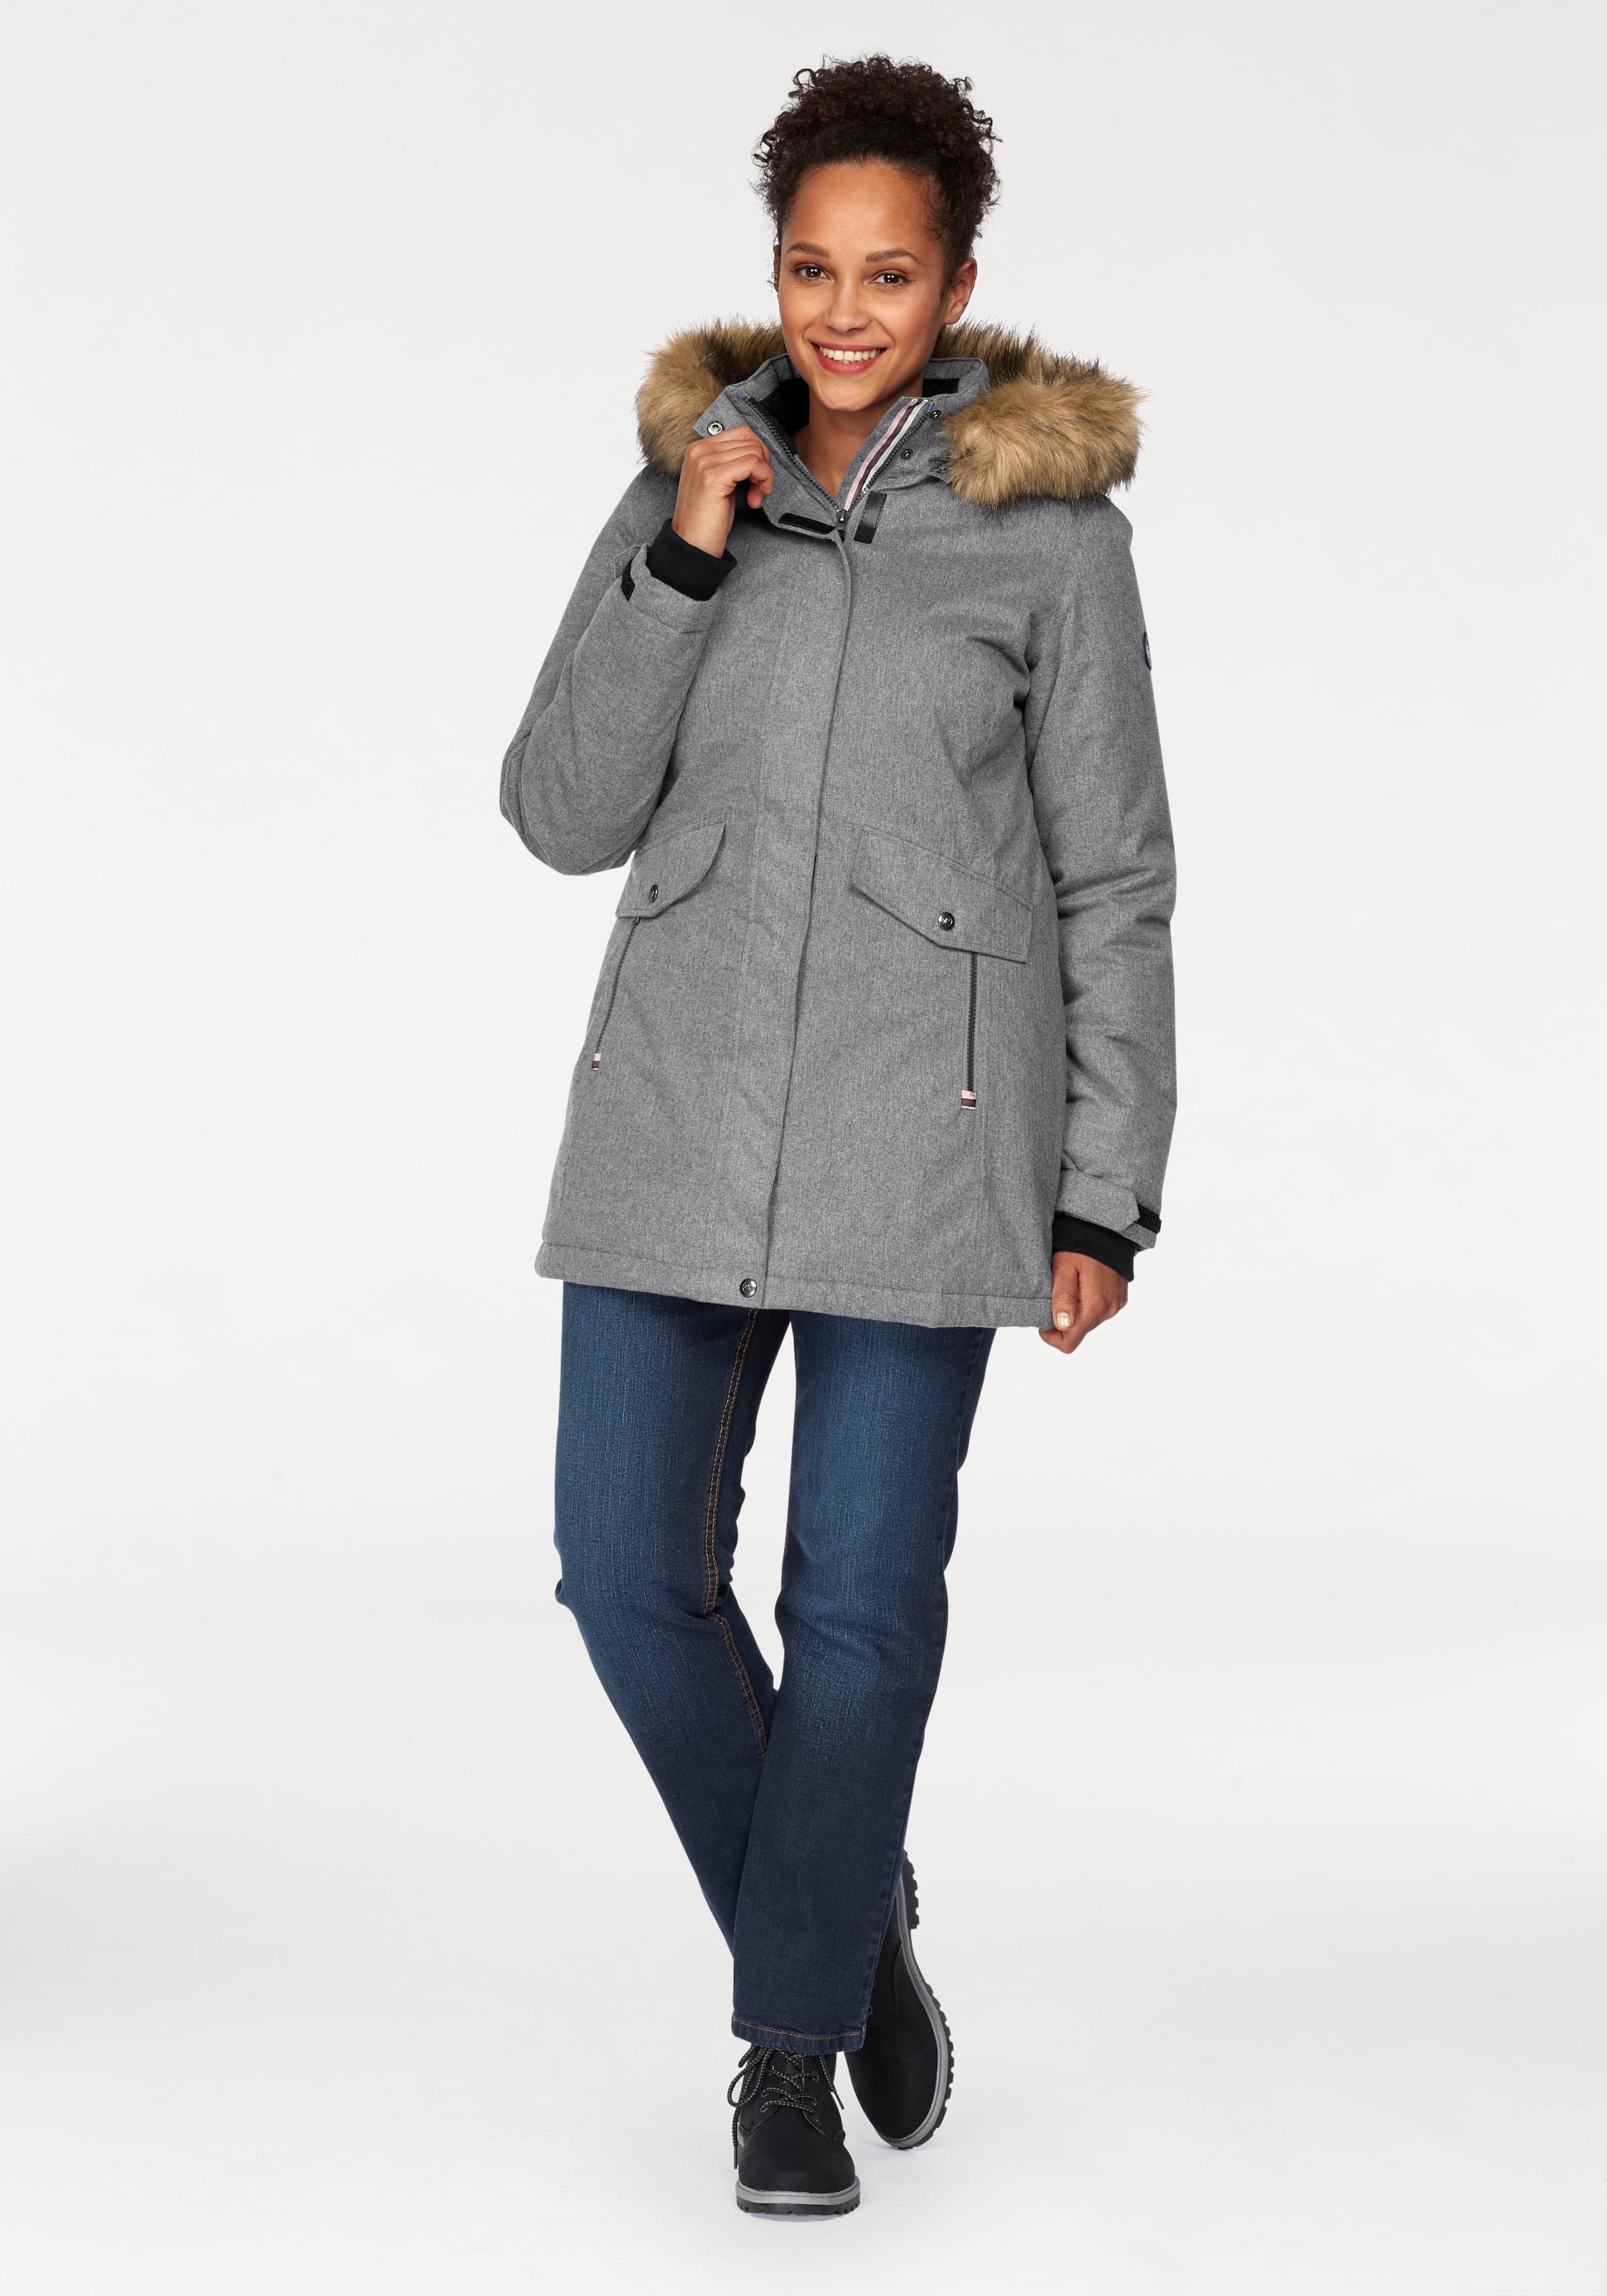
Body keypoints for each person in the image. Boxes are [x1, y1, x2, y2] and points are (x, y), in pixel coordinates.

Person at [499, 53, 1177, 2219]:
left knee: (863, 1607)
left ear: (958, 284)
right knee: (625, 1578)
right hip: (673, 1114)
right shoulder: (680, 491)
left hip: (933, 1135)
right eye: (813, 268)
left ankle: (786, 2049)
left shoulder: (1049, 540)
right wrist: (685, 563)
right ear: (774, 273)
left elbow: (1115, 877)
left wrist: (1103, 1187)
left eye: (891, 274)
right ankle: (844, 1908)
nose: (847, 311)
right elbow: (561, 813)